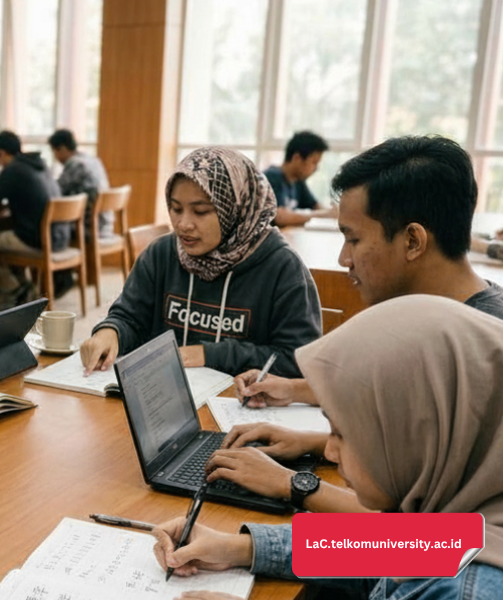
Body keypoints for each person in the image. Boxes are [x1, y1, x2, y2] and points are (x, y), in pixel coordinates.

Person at [213, 136, 503, 513]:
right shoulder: (445, 325)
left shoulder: (480, 351)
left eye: (354, 238)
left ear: (413, 241)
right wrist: (310, 429)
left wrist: (296, 486)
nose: (343, 258)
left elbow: (427, 547)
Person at [154, 296, 503, 600]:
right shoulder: (471, 519)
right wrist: (240, 547)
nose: (330, 452)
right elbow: (390, 547)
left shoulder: (469, 591)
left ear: (416, 439)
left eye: (342, 433)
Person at [79, 147, 321, 379]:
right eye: (175, 209)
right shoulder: (161, 254)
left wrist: (208, 354)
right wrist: (110, 332)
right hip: (165, 401)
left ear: (234, 210)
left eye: (201, 212)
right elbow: (130, 317)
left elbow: (298, 360)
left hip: (241, 407)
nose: (183, 224)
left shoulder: (282, 268)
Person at [0, 130, 65, 299]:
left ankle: (14, 289)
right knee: (5, 237)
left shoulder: (14, 169)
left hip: (38, 241)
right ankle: (21, 286)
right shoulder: (40, 165)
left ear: (1, 153)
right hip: (59, 237)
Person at [48, 128, 114, 239]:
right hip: (105, 225)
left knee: (48, 229)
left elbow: (56, 192)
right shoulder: (92, 160)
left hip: (89, 228)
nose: (55, 157)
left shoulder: (76, 164)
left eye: (55, 152)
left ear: (62, 148)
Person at [263, 131, 331, 227]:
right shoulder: (272, 177)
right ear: (297, 158)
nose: (316, 168)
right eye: (314, 162)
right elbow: (280, 217)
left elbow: (316, 207)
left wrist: (330, 212)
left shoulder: (298, 181)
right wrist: (324, 215)